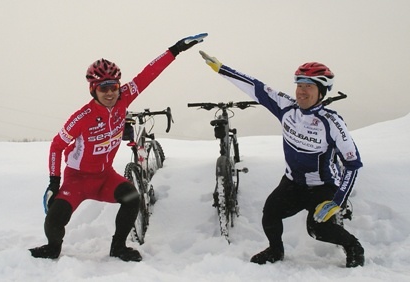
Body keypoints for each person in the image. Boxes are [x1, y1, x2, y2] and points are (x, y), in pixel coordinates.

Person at [29, 33, 208, 262]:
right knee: (54, 219)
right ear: (93, 90)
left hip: (105, 177)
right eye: (104, 89)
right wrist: (54, 183)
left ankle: (118, 247)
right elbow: (56, 146)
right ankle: (53, 247)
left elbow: (148, 74)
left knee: (132, 197)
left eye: (114, 86)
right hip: (77, 180)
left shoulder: (125, 97)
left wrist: (175, 50)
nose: (111, 93)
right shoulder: (82, 117)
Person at [199, 50, 364, 268]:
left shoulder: (332, 122)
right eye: (299, 85)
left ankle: (354, 247)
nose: (302, 92)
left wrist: (338, 201)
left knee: (318, 229)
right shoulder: (286, 108)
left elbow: (353, 164)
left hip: (322, 187)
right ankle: (275, 250)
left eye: (309, 86)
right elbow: (255, 87)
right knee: (270, 213)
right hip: (293, 183)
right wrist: (221, 68)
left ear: (321, 91)